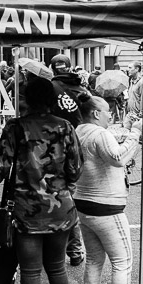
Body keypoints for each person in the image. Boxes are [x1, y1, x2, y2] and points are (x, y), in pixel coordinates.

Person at [0, 77, 82, 284]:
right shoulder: (65, 127)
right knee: (57, 268)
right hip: (61, 209)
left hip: (28, 210)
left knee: (30, 271)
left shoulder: (16, 127)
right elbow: (75, 169)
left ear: (26, 98)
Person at [73, 96, 143, 284]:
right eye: (107, 112)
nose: (110, 116)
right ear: (96, 113)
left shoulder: (78, 131)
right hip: (106, 205)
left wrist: (126, 131)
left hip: (84, 203)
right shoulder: (99, 134)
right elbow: (117, 158)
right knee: (122, 261)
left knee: (95, 259)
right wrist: (135, 135)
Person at [48, 53, 90, 266]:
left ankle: (59, 248)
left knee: (52, 195)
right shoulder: (82, 89)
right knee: (67, 196)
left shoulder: (50, 88)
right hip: (78, 146)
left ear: (53, 69)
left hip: (51, 147)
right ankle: (74, 250)